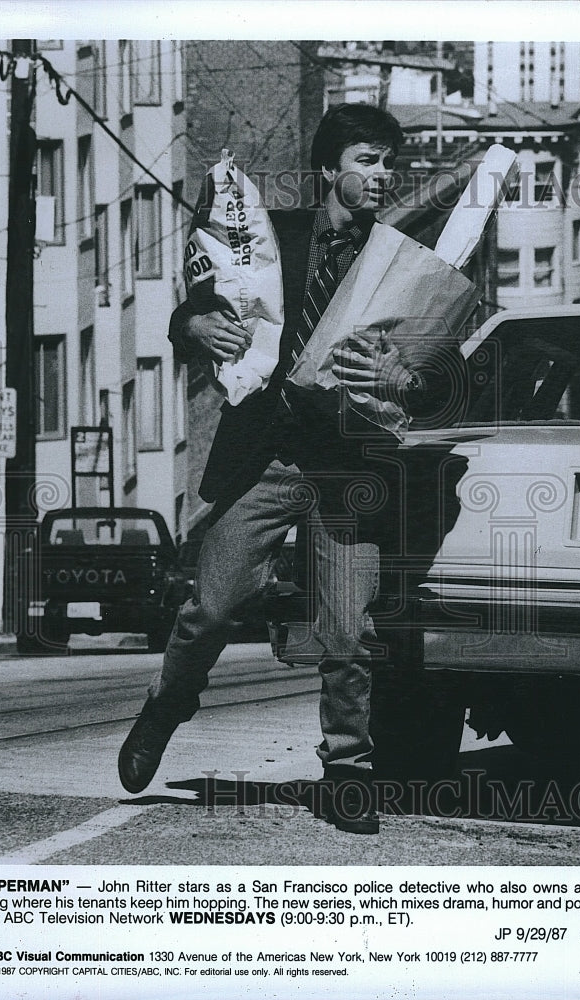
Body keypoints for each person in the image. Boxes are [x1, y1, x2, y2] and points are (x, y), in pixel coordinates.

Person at [118, 104, 456, 834]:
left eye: (388, 163)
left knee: (348, 632)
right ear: (330, 169)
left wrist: (403, 375)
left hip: (349, 464)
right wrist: (191, 323)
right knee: (210, 607)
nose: (381, 175)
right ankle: (168, 704)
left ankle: (347, 773)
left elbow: (439, 373)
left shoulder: (401, 259)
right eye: (367, 160)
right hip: (265, 455)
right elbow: (202, 311)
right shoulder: (273, 238)